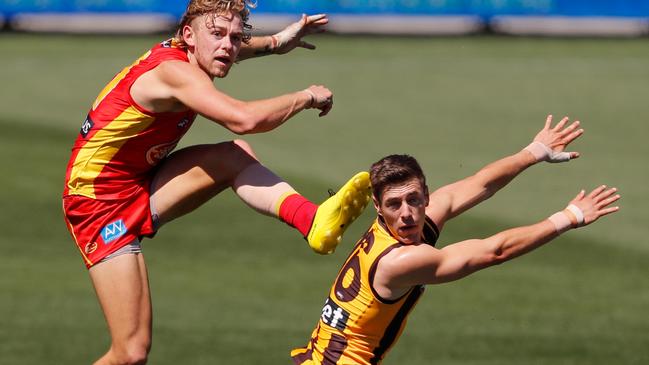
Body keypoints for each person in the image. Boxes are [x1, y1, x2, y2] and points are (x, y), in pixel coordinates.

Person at [61, 1, 372, 364]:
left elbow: (227, 49)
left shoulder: (196, 54)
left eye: (236, 36)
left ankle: (313, 221)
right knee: (130, 353)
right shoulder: (173, 74)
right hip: (97, 204)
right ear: (189, 36)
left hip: (139, 180)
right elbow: (244, 119)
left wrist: (276, 42)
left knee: (232, 157)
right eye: (218, 34)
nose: (229, 45)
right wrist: (305, 96)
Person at [291, 115, 621, 365]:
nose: (407, 213)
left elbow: (480, 184)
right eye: (394, 204)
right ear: (377, 207)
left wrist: (534, 151)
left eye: (414, 200)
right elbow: (495, 251)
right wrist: (570, 217)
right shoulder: (400, 261)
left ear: (426, 196)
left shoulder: (402, 227)